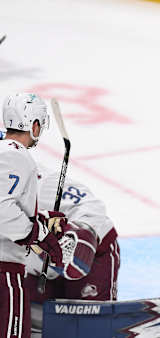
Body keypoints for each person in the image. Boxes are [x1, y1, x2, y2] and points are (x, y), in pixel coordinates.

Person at [0, 93, 67, 338]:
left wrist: (41, 220)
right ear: (34, 125)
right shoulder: (15, 155)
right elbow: (2, 211)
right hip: (4, 272)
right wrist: (38, 233)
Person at [23, 167, 120, 333]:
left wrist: (81, 232)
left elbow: (90, 207)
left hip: (87, 260)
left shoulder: (40, 182)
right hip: (33, 270)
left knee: (90, 330)